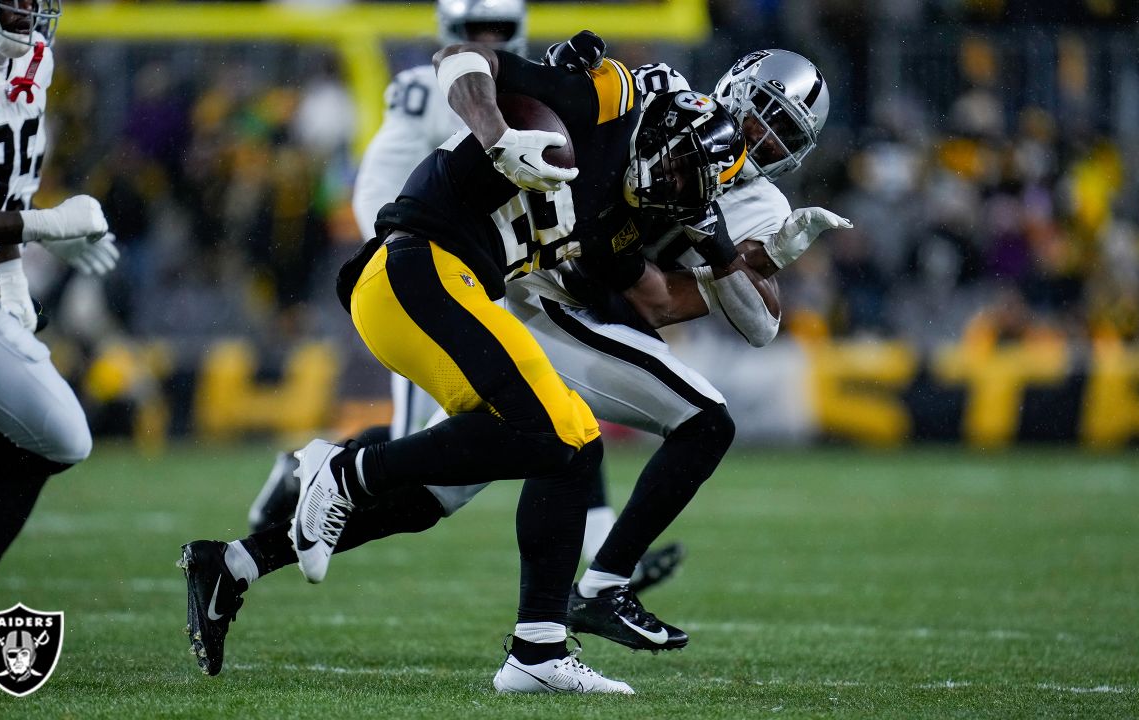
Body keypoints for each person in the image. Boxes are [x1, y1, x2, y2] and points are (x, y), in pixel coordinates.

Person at [229, 45, 852, 655]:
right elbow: (640, 273)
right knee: (684, 423)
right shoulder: (650, 102)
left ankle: (245, 559)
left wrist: (744, 254)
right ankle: (589, 598)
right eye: (761, 115)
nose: (760, 139)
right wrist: (507, 129)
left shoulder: (756, 202)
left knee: (440, 490)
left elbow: (737, 319)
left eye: (779, 140)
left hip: (578, 294)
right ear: (733, 90)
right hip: (533, 291)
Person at [248, 2, 686, 592]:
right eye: (474, 30)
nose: (485, 38)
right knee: (438, 445)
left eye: (498, 31)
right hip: (429, 270)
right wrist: (408, 242)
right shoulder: (426, 89)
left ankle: (596, 554)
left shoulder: (533, 77)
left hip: (493, 274)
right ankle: (306, 478)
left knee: (550, 413)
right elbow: (383, 177)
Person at [0, 0, 117, 641]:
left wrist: (10, 270)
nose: (31, 11)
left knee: (60, 435)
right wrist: (40, 230)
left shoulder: (34, 61)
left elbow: (1, 181)